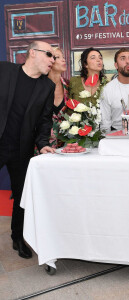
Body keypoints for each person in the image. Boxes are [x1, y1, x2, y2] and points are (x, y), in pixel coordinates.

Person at [0, 41, 56, 259]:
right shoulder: (4, 70)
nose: (53, 59)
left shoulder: (47, 87)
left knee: (22, 196)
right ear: (32, 53)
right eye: (49, 54)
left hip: (21, 149)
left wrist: (43, 144)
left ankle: (17, 237)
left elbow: (44, 121)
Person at [100, 48, 129, 132]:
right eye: (123, 58)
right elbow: (105, 122)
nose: (127, 61)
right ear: (116, 65)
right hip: (117, 135)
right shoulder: (108, 89)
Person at [47, 47, 69, 148]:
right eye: (58, 57)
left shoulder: (69, 85)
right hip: (42, 147)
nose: (63, 60)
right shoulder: (38, 87)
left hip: (66, 146)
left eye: (63, 57)